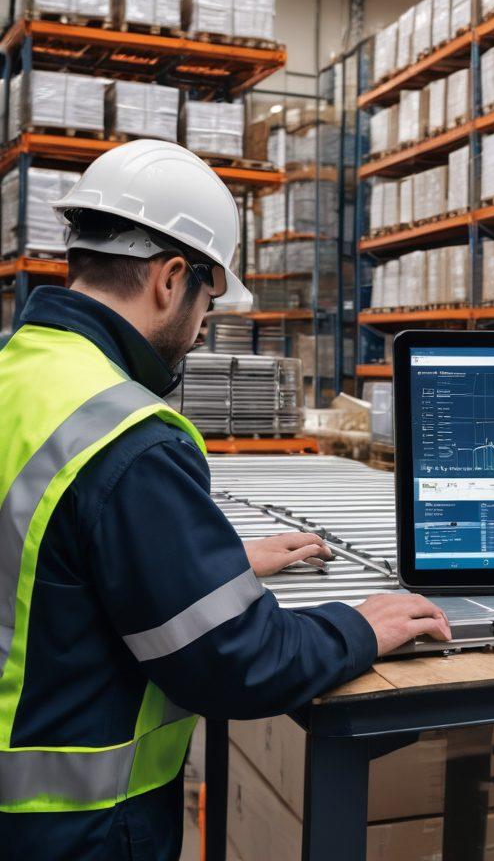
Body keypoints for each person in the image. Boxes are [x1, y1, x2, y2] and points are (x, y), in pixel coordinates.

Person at [0, 139, 450, 859]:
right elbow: (236, 660)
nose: (206, 325)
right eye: (209, 296)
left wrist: (197, 565)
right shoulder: (128, 436)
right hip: (70, 826)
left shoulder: (19, 372)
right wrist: (359, 627)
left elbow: (39, 552)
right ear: (171, 279)